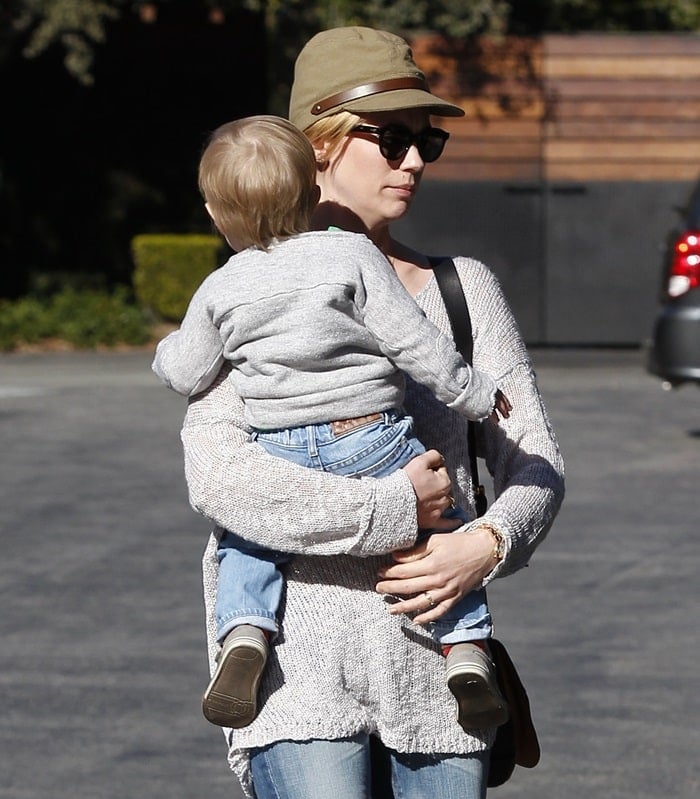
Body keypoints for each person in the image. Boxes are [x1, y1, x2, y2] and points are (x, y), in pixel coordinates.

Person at [177, 26, 565, 799]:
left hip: (440, 678)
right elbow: (221, 481)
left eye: (428, 141)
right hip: (292, 670)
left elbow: (538, 463)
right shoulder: (247, 294)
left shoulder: (462, 289)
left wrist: (484, 544)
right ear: (318, 144)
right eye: (391, 139)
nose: (416, 160)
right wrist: (393, 506)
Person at [152, 114, 512, 732]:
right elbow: (415, 344)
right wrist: (474, 392)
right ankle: (467, 652)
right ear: (311, 190)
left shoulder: (220, 288)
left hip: (278, 444)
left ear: (215, 214)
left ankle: (244, 635)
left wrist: (162, 351)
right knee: (437, 531)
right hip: (370, 435)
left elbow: (186, 372)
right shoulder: (351, 255)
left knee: (248, 538)